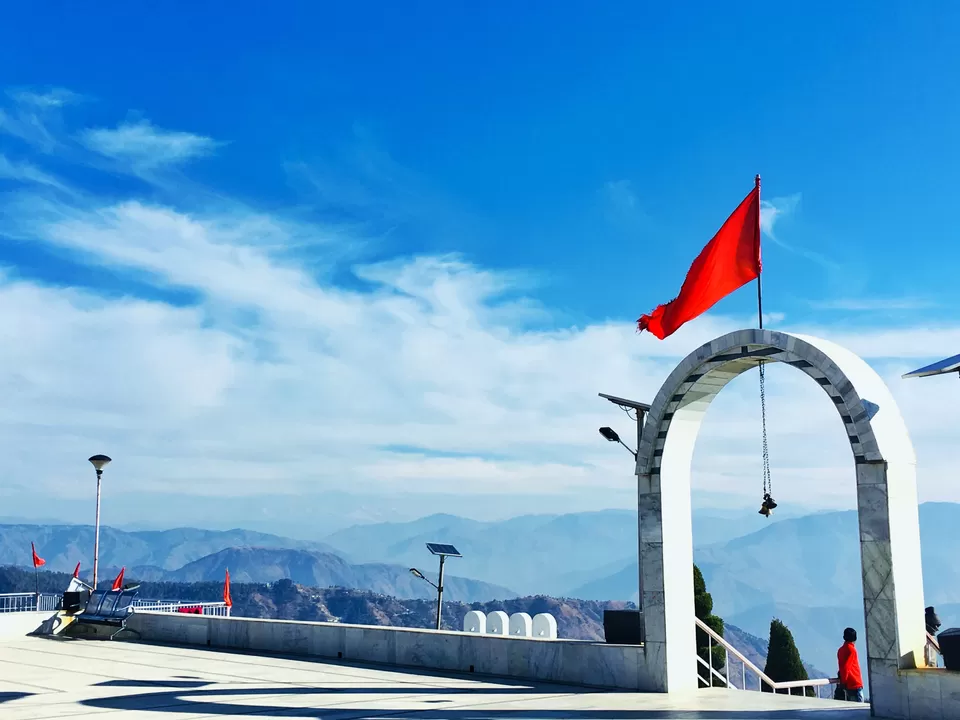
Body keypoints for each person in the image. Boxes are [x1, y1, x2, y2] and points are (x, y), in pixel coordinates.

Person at [837, 627, 864, 702]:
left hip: (848, 685)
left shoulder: (840, 650)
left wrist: (843, 681)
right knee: (860, 707)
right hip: (855, 683)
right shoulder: (852, 650)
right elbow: (846, 667)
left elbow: (842, 667)